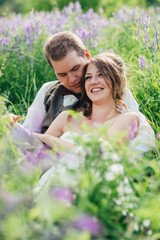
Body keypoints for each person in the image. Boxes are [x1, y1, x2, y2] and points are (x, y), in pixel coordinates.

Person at [13, 31, 154, 152]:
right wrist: (13, 128)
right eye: (62, 74)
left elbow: (143, 134)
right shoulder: (47, 91)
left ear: (87, 55)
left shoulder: (112, 90)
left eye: (76, 69)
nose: (72, 79)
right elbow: (29, 132)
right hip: (44, 157)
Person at [34, 53, 140, 149]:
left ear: (117, 83)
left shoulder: (128, 119)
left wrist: (48, 139)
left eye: (101, 75)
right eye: (88, 77)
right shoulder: (67, 118)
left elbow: (100, 154)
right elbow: (38, 155)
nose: (93, 82)